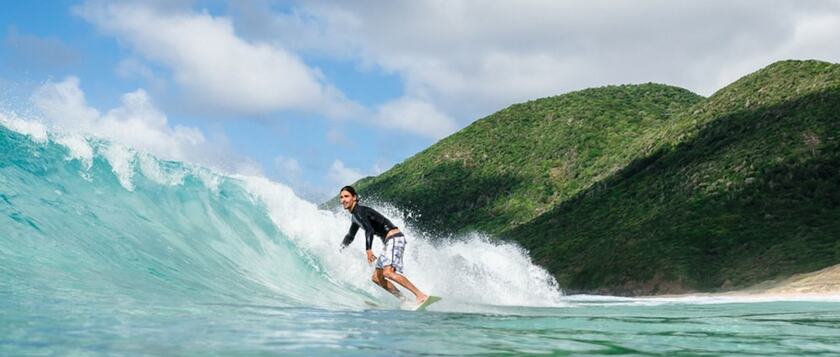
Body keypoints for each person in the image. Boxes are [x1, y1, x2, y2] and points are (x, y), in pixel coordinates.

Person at [339, 185, 429, 304]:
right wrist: (341, 248)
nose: (343, 200)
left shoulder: (359, 211)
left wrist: (368, 250)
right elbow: (350, 236)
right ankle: (405, 300)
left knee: (388, 272)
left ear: (354, 197)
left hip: (394, 238)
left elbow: (369, 230)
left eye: (346, 196)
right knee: (377, 278)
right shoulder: (355, 217)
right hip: (389, 242)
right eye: (341, 197)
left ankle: (421, 295)